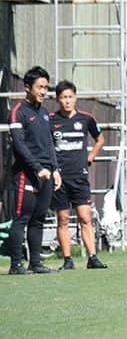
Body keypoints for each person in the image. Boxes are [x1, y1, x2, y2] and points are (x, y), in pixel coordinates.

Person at [8, 66, 61, 274]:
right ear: (27, 87)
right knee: (22, 218)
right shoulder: (18, 111)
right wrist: (37, 168)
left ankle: (36, 263)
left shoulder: (45, 113)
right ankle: (16, 265)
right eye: (40, 87)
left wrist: (55, 169)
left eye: (46, 88)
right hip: (26, 174)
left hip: (47, 174)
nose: (43, 92)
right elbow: (19, 146)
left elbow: (49, 144)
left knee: (38, 219)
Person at [49, 80, 107, 270]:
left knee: (85, 217)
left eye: (70, 97)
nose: (67, 101)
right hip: (59, 179)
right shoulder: (51, 120)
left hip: (79, 177)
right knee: (63, 219)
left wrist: (90, 157)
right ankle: (67, 259)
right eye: (63, 98)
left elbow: (100, 139)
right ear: (58, 99)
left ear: (75, 98)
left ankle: (92, 257)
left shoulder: (86, 119)